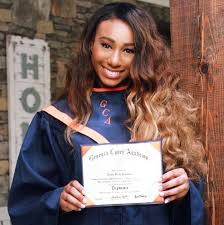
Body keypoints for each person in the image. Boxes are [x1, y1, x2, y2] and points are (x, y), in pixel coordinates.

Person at [8, 2, 207, 225]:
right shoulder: (56, 121)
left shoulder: (165, 112)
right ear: (90, 44)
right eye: (106, 45)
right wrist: (59, 200)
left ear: (141, 55)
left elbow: (192, 198)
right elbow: (25, 203)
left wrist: (184, 190)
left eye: (128, 50)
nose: (114, 60)